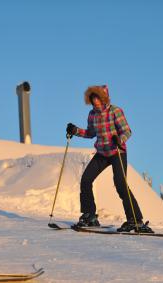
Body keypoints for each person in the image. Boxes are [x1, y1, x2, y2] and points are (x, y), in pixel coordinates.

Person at [66, 85, 153, 233]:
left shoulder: (115, 111)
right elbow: (90, 133)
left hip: (117, 151)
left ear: (104, 99)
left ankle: (135, 220)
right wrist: (75, 131)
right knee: (86, 179)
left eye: (98, 101)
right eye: (93, 102)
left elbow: (127, 131)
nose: (96, 104)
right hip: (102, 153)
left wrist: (120, 139)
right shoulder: (92, 115)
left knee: (120, 184)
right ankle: (89, 216)